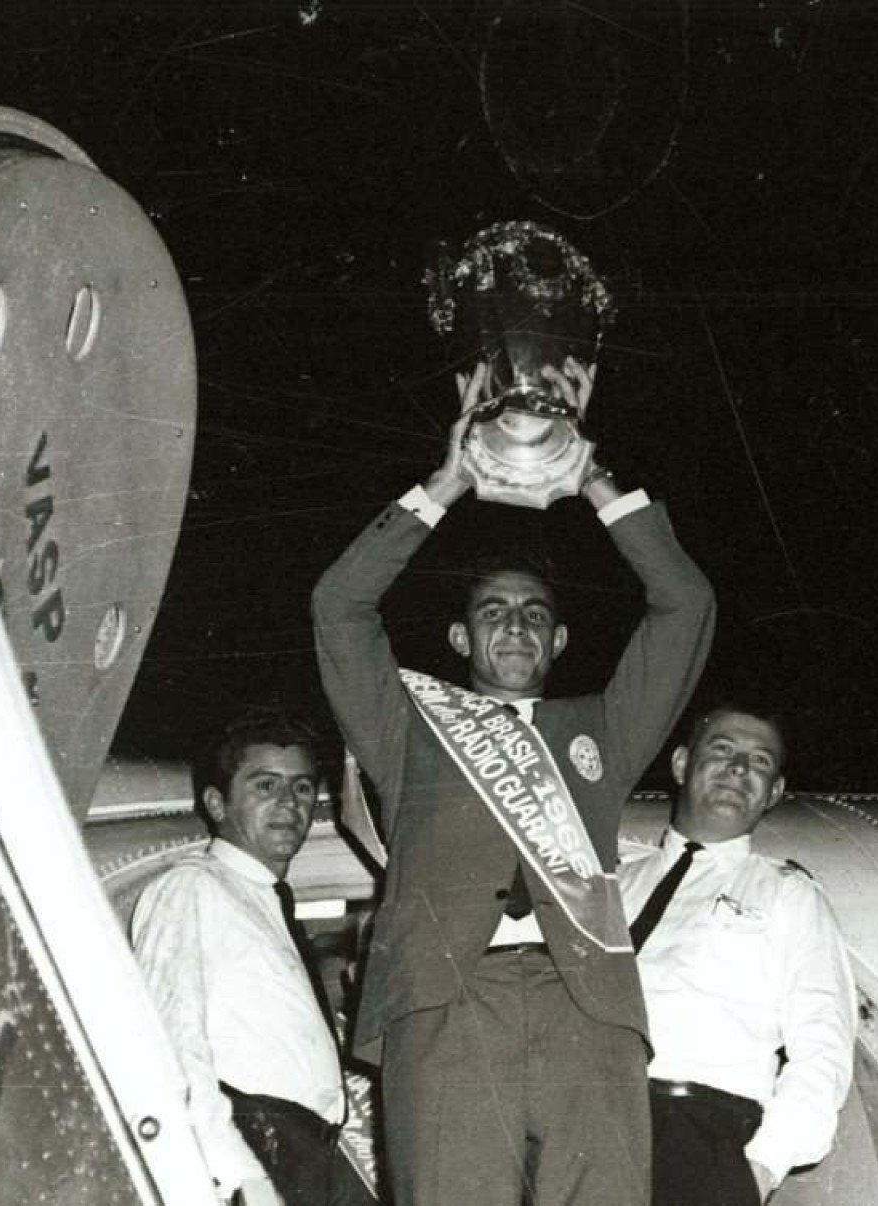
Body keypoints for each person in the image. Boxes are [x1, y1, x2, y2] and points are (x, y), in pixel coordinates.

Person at [311, 357, 715, 1206]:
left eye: (535, 613)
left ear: (560, 640)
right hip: (447, 1005)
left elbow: (685, 602)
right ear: (459, 640)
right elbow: (339, 607)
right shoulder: (411, 729)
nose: (516, 625)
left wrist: (589, 478)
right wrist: (448, 482)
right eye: (493, 611)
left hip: (589, 1011)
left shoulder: (601, 728)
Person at [620, 706, 857, 1205]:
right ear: (682, 764)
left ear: (774, 792)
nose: (739, 769)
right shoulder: (612, 880)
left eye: (760, 761)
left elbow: (823, 1046)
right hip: (579, 1124)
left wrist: (759, 1170)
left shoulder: (790, 896)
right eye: (722, 750)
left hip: (699, 1139)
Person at [130, 710, 348, 1206]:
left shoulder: (266, 901)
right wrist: (236, 1174)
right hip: (255, 1150)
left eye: (301, 787)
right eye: (265, 786)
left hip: (304, 1154)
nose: (289, 804)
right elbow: (169, 1040)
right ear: (217, 803)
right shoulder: (193, 887)